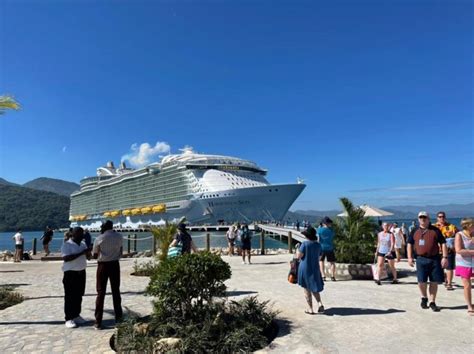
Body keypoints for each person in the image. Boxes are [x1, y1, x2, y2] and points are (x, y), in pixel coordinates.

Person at [407, 211, 448, 312]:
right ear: (418, 219)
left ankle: (432, 301)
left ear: (429, 219)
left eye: (425, 217)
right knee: (421, 281)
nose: (423, 219)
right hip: (420, 259)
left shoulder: (435, 230)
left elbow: (443, 243)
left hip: (434, 259)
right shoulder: (415, 230)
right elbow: (409, 244)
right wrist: (409, 257)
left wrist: (445, 257)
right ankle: (424, 297)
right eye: (421, 217)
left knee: (434, 282)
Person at [92, 220, 123, 330]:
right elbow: (121, 251)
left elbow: (95, 255)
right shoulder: (119, 236)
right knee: (116, 291)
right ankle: (119, 319)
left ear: (104, 227)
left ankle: (98, 322)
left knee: (101, 292)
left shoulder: (99, 238)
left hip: (103, 266)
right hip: (115, 265)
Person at [61, 227, 90, 328]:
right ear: (73, 234)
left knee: (79, 295)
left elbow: (88, 257)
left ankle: (76, 315)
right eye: (79, 233)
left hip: (81, 272)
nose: (82, 235)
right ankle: (68, 318)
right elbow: (66, 258)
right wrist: (82, 252)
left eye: (82, 233)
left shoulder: (83, 244)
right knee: (69, 296)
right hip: (70, 273)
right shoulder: (67, 244)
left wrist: (88, 252)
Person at [297, 226, 324, 314]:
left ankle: (310, 308)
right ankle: (320, 304)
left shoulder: (304, 244)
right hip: (315, 268)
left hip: (305, 268)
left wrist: (297, 249)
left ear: (307, 236)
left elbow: (299, 256)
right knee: (314, 287)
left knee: (306, 288)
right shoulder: (318, 245)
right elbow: (320, 257)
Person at [432, 211, 458, 291]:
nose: (441, 218)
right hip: (436, 251)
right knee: (439, 267)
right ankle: (445, 277)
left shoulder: (451, 226)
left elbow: (458, 236)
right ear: (437, 218)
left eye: (443, 216)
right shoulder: (433, 227)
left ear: (445, 217)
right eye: (440, 217)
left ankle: (449, 283)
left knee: (449, 268)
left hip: (449, 250)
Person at [454, 218, 474, 315]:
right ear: (468, 226)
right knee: (467, 286)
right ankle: (469, 306)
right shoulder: (459, 235)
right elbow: (458, 250)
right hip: (464, 263)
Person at [317, 217, 336, 281]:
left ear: (323, 223)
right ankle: (332, 276)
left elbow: (318, 239)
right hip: (330, 247)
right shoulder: (332, 230)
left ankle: (323, 276)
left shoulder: (319, 230)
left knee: (321, 261)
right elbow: (333, 236)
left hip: (322, 248)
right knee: (332, 262)